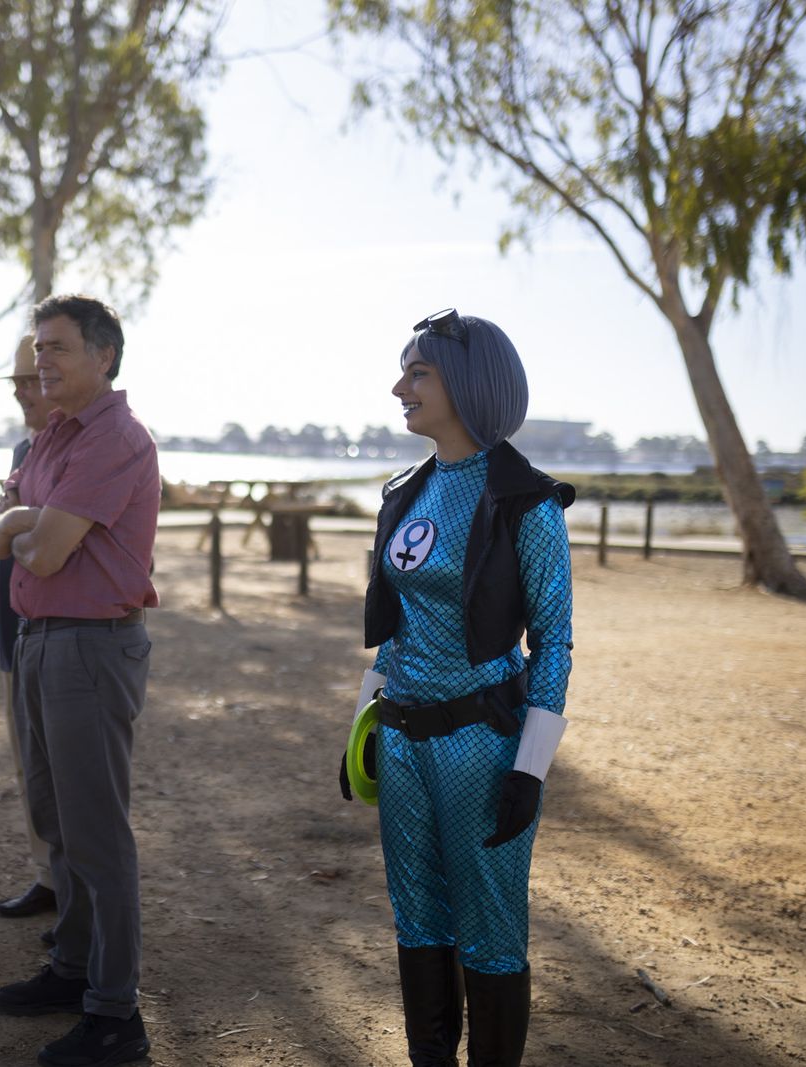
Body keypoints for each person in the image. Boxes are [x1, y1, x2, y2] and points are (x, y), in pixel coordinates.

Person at [341, 308, 574, 1067]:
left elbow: (554, 642)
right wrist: (361, 724)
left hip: (482, 743)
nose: (398, 386)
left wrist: (529, 768)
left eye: (419, 372)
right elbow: (398, 619)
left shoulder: (527, 502)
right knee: (417, 914)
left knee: (491, 920)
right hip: (402, 735)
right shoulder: (404, 491)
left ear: (468, 383)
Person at [0, 294, 159, 1067]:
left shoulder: (113, 439)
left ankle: (117, 1013)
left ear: (103, 357)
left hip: (90, 646)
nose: (41, 362)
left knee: (97, 834)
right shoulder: (52, 435)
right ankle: (73, 967)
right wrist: (27, 518)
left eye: (56, 348)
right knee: (57, 819)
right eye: (37, 348)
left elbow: (43, 553)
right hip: (40, 640)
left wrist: (26, 520)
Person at [0, 333, 58, 926]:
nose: (20, 392)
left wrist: (11, 523)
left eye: (28, 380)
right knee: (27, 763)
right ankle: (47, 876)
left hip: (59, 637)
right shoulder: (21, 450)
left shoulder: (79, 452)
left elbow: (35, 543)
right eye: (14, 382)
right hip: (12, 630)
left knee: (64, 774)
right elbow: (3, 534)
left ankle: (73, 897)